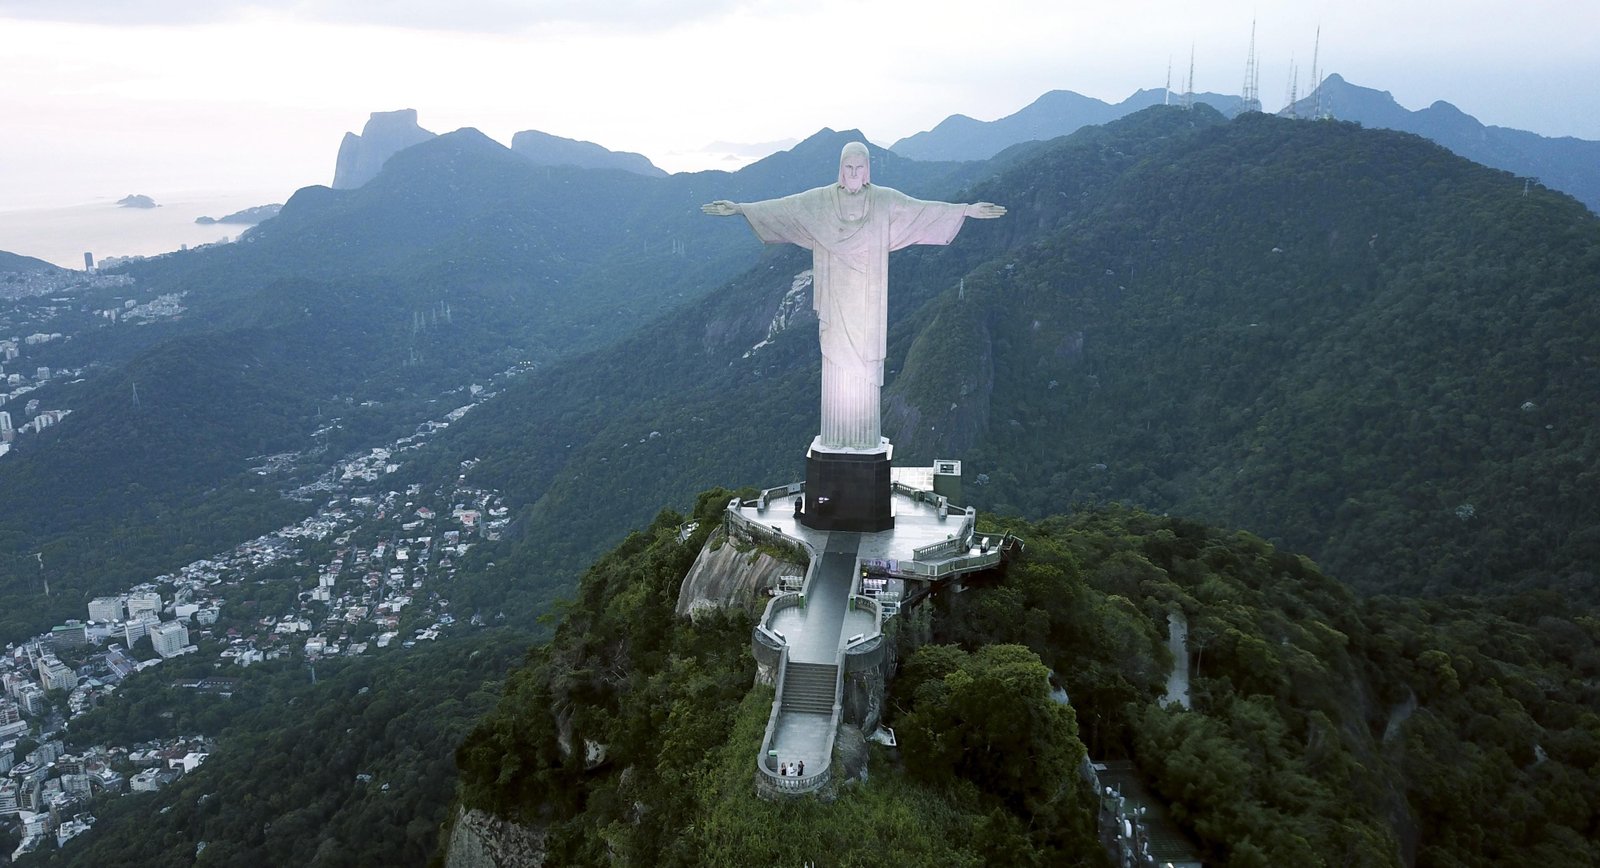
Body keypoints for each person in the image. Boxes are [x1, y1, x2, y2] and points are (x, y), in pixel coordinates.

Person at [703, 143, 1004, 450]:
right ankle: (835, 439)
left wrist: (965, 210)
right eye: (849, 167)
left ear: (868, 170)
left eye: (860, 167)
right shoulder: (822, 201)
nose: (854, 173)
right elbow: (786, 208)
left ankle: (863, 439)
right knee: (836, 363)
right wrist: (741, 209)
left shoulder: (883, 201)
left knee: (863, 365)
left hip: (867, 303)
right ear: (840, 169)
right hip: (836, 298)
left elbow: (921, 210)